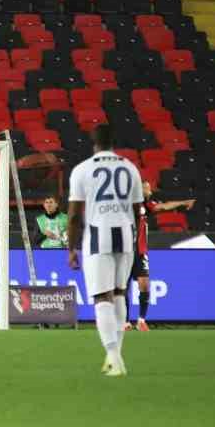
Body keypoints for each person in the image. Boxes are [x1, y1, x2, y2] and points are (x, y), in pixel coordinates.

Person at [67, 126, 145, 376]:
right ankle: (117, 356)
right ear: (114, 142)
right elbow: (138, 210)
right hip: (126, 235)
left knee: (102, 298)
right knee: (120, 294)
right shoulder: (130, 167)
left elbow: (73, 216)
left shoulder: (82, 169)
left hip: (97, 237)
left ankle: (112, 356)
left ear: (93, 142)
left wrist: (71, 248)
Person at [123, 180, 194, 332]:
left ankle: (141, 320)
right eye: (147, 189)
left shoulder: (147, 206)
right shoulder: (127, 204)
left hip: (140, 251)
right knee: (124, 287)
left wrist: (183, 203)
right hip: (125, 251)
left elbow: (164, 206)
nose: (150, 191)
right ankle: (125, 321)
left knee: (144, 284)